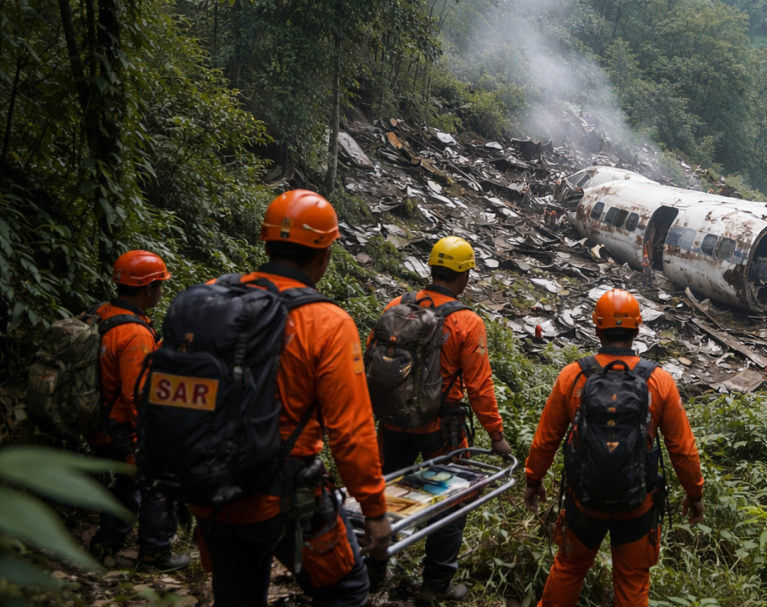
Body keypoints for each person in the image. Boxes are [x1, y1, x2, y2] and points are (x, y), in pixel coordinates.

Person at [191, 190, 391, 607]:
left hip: (208, 484)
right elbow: (351, 432)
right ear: (325, 254)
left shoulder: (210, 297)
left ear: (266, 243)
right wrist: (374, 510)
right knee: (347, 590)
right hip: (284, 496)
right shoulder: (327, 322)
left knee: (236, 597)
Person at [524, 289, 705, 607]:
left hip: (584, 502)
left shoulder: (574, 375)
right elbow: (682, 449)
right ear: (637, 328)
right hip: (637, 505)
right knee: (633, 582)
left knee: (568, 569)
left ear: (596, 327)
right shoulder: (659, 380)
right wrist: (695, 493)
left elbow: (547, 438)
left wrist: (533, 479)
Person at [367, 235, 511, 602]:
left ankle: (373, 570)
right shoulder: (467, 322)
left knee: (383, 496)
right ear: (464, 276)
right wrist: (496, 435)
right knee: (453, 500)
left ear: (431, 268)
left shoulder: (397, 304)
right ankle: (435, 584)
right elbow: (479, 386)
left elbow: (371, 357)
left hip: (391, 422)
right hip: (440, 430)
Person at [86, 251, 188, 572]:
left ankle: (106, 544)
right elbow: (136, 396)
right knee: (158, 484)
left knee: (127, 486)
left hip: (99, 423)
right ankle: (155, 555)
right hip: (122, 429)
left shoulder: (101, 313)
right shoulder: (135, 333)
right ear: (148, 288)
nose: (162, 290)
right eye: (161, 284)